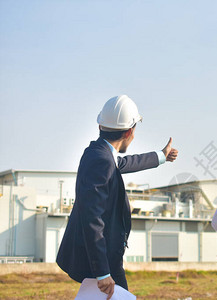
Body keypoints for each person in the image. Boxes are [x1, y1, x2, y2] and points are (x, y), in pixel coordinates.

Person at [56, 95, 178, 299]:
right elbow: (92, 219)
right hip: (100, 260)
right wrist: (102, 272)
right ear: (130, 131)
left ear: (100, 126)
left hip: (102, 257)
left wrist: (161, 156)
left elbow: (122, 163)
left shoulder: (98, 153)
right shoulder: (102, 161)